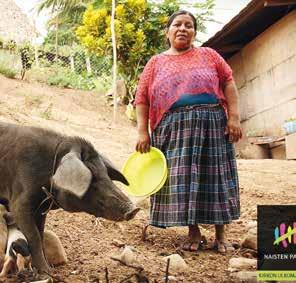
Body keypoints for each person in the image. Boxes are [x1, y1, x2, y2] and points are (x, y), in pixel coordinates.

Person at [134, 10, 242, 253]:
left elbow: (229, 82)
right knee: (184, 179)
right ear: (168, 31)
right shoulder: (156, 63)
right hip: (173, 129)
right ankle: (193, 231)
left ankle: (221, 234)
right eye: (177, 25)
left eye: (189, 25)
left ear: (194, 32)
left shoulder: (209, 55)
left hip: (212, 124)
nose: (183, 29)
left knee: (216, 178)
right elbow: (141, 99)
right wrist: (143, 132)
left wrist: (233, 117)